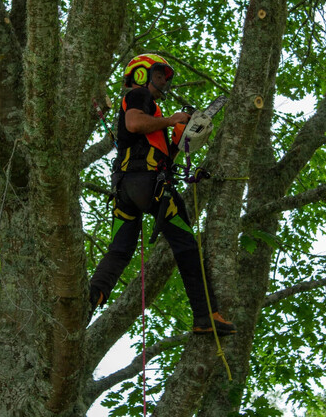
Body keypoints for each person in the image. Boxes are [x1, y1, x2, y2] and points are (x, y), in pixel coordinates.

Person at [89, 53, 236, 336]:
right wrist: (171, 120)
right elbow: (133, 124)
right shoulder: (138, 97)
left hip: (126, 190)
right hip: (148, 186)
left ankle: (92, 296)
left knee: (119, 251)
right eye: (158, 76)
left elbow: (160, 152)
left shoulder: (152, 113)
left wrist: (181, 139)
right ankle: (206, 315)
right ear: (142, 74)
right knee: (186, 245)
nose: (162, 83)